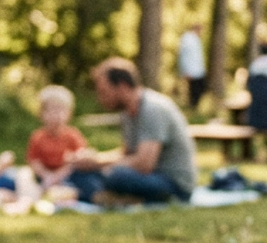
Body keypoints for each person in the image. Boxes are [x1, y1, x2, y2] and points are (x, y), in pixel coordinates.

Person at [70, 57, 197, 204]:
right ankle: (112, 198)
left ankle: (108, 197)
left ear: (122, 86)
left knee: (117, 176)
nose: (100, 99)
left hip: (172, 183)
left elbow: (144, 164)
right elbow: (126, 154)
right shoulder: (127, 113)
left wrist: (99, 164)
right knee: (80, 172)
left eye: (104, 92)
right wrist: (93, 160)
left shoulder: (152, 109)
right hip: (144, 176)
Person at [27, 85, 88, 191]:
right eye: (52, 111)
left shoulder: (73, 136)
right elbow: (34, 161)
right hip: (44, 176)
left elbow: (80, 159)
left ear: (69, 114)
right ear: (41, 114)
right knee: (24, 176)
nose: (56, 116)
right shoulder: (38, 137)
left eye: (60, 111)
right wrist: (47, 176)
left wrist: (58, 176)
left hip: (68, 176)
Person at [178, 25, 208, 110]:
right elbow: (183, 56)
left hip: (198, 70)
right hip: (191, 70)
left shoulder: (196, 40)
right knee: (194, 90)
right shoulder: (187, 39)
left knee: (201, 89)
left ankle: (194, 106)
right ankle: (192, 107)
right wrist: (185, 70)